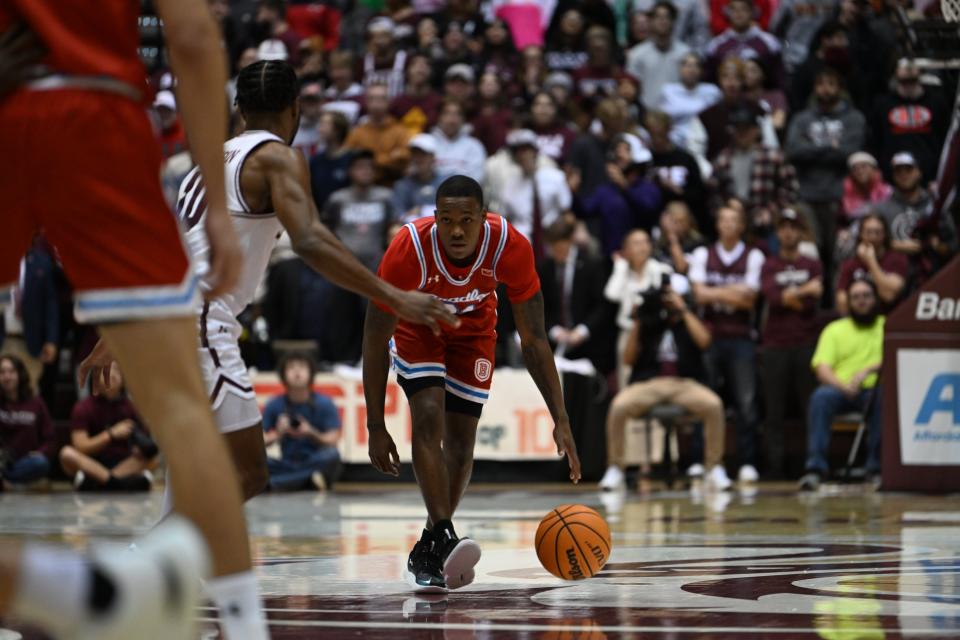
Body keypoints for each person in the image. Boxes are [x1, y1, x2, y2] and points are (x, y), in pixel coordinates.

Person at [0, 0, 257, 636]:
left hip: (9, 103)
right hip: (100, 114)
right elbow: (195, 37)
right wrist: (218, 212)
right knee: (180, 405)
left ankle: (76, 591)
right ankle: (244, 626)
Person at [363, 175, 581, 591]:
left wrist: (561, 417)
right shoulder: (409, 249)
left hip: (473, 331)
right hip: (417, 327)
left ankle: (430, 542)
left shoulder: (510, 247)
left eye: (466, 219)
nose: (457, 230)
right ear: (435, 218)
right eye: (447, 220)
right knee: (428, 417)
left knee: (462, 445)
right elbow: (374, 337)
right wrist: (375, 424)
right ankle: (445, 534)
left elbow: (533, 339)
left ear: (484, 217)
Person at [599, 276, 731, 491]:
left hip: (685, 383)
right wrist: (638, 321)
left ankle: (714, 467)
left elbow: (705, 342)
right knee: (618, 407)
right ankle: (615, 468)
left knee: (714, 405)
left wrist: (683, 310)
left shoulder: (691, 319)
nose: (667, 303)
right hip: (649, 383)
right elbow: (628, 359)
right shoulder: (650, 321)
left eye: (672, 298)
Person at [689, 206, 765, 483]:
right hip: (709, 337)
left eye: (735, 220)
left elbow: (750, 300)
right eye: (724, 219)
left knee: (746, 402)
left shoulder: (753, 255)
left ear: (742, 225)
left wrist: (714, 292)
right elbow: (698, 296)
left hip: (741, 337)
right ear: (718, 224)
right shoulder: (702, 254)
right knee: (706, 400)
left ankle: (747, 462)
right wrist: (734, 292)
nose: (729, 224)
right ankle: (700, 459)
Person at [799, 278, 884, 491]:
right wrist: (843, 386)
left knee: (884, 397)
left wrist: (870, 369)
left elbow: (896, 357)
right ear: (848, 302)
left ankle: (875, 468)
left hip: (874, 390)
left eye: (866, 296)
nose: (861, 301)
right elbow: (822, 368)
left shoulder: (888, 325)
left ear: (875, 299)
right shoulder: (834, 330)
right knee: (820, 397)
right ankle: (815, 469)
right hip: (841, 390)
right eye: (856, 297)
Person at [759, 209, 823, 479]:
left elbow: (815, 298)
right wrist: (803, 291)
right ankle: (774, 467)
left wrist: (791, 296)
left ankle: (810, 466)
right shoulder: (769, 264)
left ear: (801, 232)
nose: (788, 232)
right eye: (783, 227)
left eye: (793, 227)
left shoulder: (812, 264)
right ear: (777, 233)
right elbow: (774, 299)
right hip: (775, 345)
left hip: (805, 342)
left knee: (808, 408)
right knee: (774, 411)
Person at [785, 68, 866, 278]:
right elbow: (793, 151)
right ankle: (816, 307)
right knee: (810, 256)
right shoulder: (802, 118)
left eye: (831, 84)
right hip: (807, 197)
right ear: (814, 88)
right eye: (821, 84)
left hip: (841, 198)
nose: (826, 89)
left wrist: (811, 149)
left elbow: (851, 153)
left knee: (839, 255)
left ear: (840, 88)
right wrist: (831, 147)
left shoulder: (853, 118)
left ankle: (836, 305)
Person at [59, 367, 158, 492]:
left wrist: (139, 447)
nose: (113, 376)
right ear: (96, 378)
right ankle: (118, 484)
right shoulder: (83, 407)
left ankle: (100, 483)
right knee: (67, 453)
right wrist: (110, 434)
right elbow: (80, 446)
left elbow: (148, 447)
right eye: (107, 372)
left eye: (117, 372)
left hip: (124, 463)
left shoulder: (132, 406)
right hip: (94, 464)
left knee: (153, 460)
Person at [710, 102, 798, 237]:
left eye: (746, 129)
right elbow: (712, 192)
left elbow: (790, 189)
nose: (742, 134)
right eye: (738, 129)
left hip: (767, 225)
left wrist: (771, 211)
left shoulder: (773, 156)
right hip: (733, 224)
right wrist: (725, 209)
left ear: (756, 130)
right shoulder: (723, 159)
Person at [263, 352, 343, 491]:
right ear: (283, 375)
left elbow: (333, 439)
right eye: (291, 367)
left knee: (332, 455)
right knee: (259, 462)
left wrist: (310, 432)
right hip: (286, 462)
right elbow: (260, 441)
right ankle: (308, 481)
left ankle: (278, 483)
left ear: (311, 373)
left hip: (314, 460)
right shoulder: (274, 404)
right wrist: (278, 433)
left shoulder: (324, 403)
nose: (297, 371)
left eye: (302, 367)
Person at [869, 58, 950, 183]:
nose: (908, 86)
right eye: (904, 81)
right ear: (896, 77)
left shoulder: (937, 103)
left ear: (920, 76)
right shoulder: (882, 104)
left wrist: (938, 175)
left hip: (930, 176)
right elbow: (876, 140)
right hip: (892, 175)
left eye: (912, 81)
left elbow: (945, 139)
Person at [501, 129, 573, 259]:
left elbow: (567, 214)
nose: (522, 155)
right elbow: (507, 220)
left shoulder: (555, 177)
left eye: (526, 150)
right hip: (522, 241)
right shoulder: (510, 185)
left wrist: (561, 231)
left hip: (552, 236)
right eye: (517, 151)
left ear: (535, 151)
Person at [0, 235, 58, 394]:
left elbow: (50, 304)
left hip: (30, 340)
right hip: (3, 337)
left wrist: (51, 340)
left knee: (29, 390)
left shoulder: (42, 263)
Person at [323, 150, 399, 271]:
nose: (366, 171)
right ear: (350, 171)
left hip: (377, 264)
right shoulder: (338, 199)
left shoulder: (386, 197)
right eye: (360, 167)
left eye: (370, 167)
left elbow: (394, 226)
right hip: (344, 265)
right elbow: (327, 227)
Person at [835, 213, 908, 315]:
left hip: (889, 318)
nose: (873, 237)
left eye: (877, 232)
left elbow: (888, 295)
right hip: (858, 320)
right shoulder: (850, 263)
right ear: (861, 234)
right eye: (868, 232)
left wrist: (871, 261)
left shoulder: (897, 259)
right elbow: (841, 302)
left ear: (885, 234)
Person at [0, 355, 54, 489]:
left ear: (19, 374)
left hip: (27, 462)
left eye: (11, 371)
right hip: (2, 462)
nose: (7, 376)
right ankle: (17, 485)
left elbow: (50, 439)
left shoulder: (36, 403)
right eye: (2, 372)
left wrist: (41, 451)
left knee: (41, 463)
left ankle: (7, 483)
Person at [704, 0, 784, 88]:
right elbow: (709, 83)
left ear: (752, 12)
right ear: (727, 13)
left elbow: (778, 81)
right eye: (734, 9)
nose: (738, 13)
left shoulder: (770, 43)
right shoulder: (716, 45)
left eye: (744, 9)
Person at [626, 2, 690, 110]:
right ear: (650, 21)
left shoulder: (685, 54)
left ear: (673, 21)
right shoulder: (636, 54)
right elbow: (630, 88)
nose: (663, 21)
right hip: (647, 114)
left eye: (667, 17)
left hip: (679, 113)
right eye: (658, 17)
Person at [344, 82, 412, 183]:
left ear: (389, 102)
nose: (376, 103)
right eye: (372, 98)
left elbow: (404, 159)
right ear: (366, 102)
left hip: (392, 185)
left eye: (381, 98)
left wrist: (369, 161)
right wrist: (389, 157)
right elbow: (349, 160)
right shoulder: (357, 132)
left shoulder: (400, 131)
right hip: (362, 187)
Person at [658, 53, 722, 150]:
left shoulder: (712, 91)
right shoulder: (668, 91)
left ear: (701, 70)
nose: (692, 70)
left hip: (705, 142)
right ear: (680, 69)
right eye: (688, 65)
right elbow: (662, 120)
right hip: (675, 143)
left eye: (696, 65)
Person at [393, 134, 447, 222]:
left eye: (423, 155)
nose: (418, 159)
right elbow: (399, 216)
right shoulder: (402, 185)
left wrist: (422, 210)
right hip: (413, 232)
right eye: (415, 155)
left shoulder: (445, 183)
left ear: (433, 157)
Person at [432, 99, 487, 183]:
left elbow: (476, 179)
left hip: (463, 194)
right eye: (447, 113)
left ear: (463, 119)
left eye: (457, 114)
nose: (452, 119)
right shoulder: (428, 143)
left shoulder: (474, 146)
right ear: (439, 117)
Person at [309, 110, 353, 210]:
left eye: (325, 124)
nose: (320, 129)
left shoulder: (351, 159)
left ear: (338, 130)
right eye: (320, 124)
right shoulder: (315, 161)